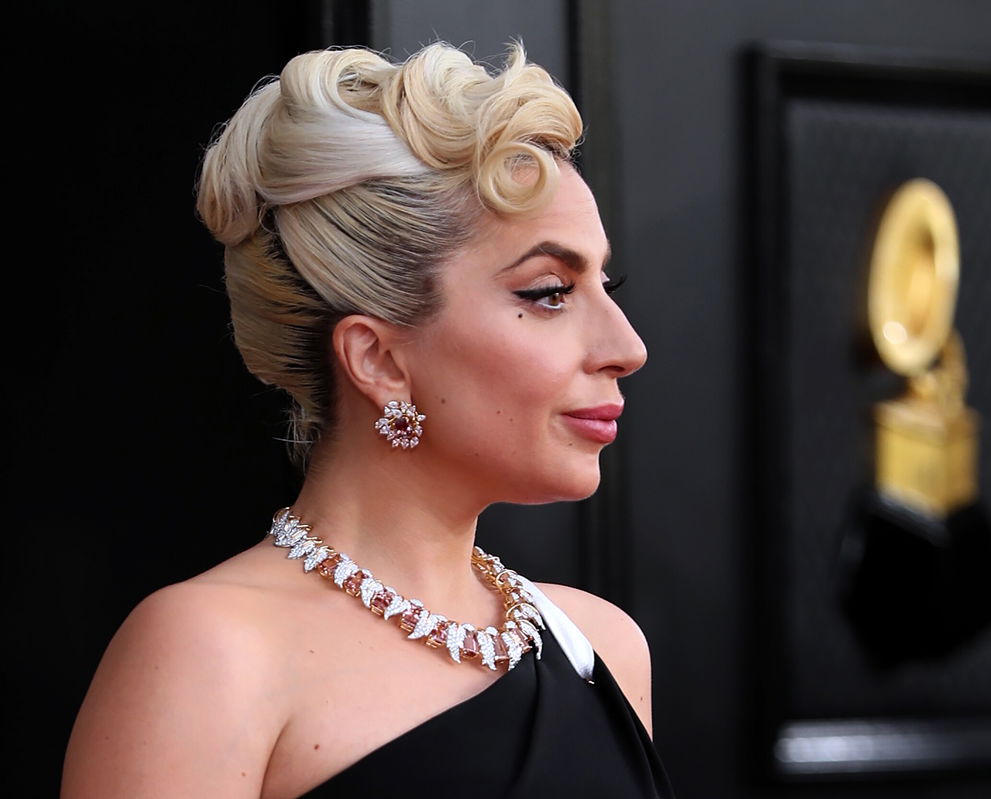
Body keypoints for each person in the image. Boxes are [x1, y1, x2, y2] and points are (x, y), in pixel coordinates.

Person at [62, 41, 674, 798]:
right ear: (378, 359)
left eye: (605, 284)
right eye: (550, 291)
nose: (628, 347)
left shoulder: (605, 647)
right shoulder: (208, 657)